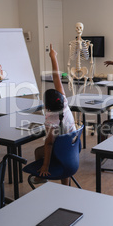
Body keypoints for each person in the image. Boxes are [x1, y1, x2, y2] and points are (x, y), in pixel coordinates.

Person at [31, 44, 76, 186]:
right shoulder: (64, 103)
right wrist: (53, 57)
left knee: (39, 152)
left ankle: (42, 177)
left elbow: (49, 144)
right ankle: (65, 184)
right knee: (61, 148)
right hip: (73, 148)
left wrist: (45, 166)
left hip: (63, 151)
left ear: (46, 107)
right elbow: (57, 77)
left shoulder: (51, 120)